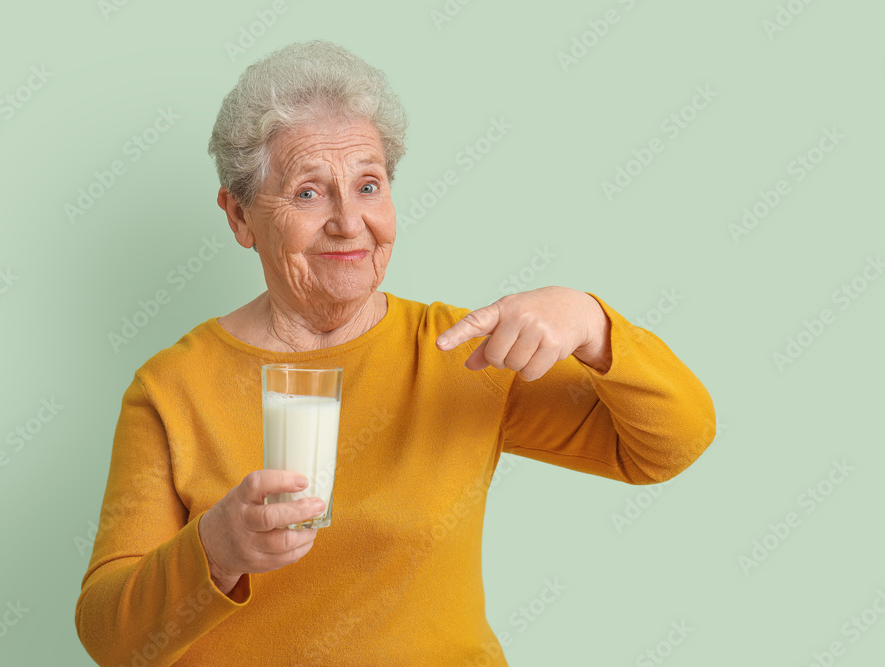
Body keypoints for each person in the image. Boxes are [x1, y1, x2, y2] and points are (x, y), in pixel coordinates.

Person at [74, 40, 716, 666]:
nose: (349, 222)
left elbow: (670, 445)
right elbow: (111, 640)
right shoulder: (171, 387)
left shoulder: (461, 353)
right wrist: (212, 550)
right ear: (240, 217)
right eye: (307, 192)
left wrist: (594, 323)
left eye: (369, 186)